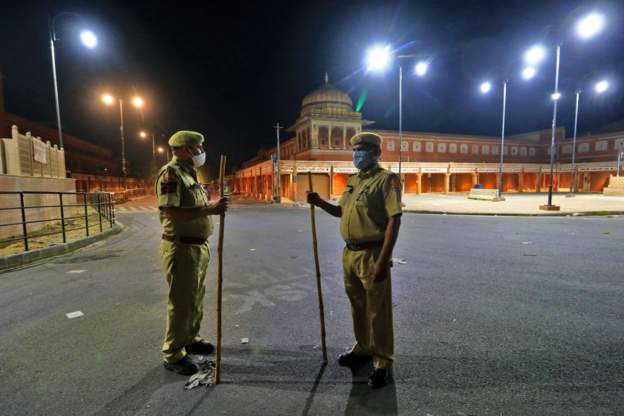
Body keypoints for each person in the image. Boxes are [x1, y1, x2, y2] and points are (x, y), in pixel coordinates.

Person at [307, 132, 402, 388]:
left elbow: (394, 219)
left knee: (377, 311)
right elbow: (342, 212)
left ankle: (383, 361)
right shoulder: (353, 181)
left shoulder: (387, 180)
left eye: (362, 150)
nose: (356, 154)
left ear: (376, 153)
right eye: (355, 150)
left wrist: (383, 261)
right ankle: (363, 348)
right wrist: (319, 203)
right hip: (349, 253)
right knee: (358, 306)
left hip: (373, 253)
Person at [155, 130, 228, 375]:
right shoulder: (171, 174)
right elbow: (170, 212)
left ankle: (191, 338)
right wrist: (210, 211)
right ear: (185, 149)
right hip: (181, 247)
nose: (201, 152)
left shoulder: (189, 175)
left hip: (197, 246)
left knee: (195, 297)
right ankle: (173, 353)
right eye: (198, 148)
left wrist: (209, 208)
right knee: (181, 302)